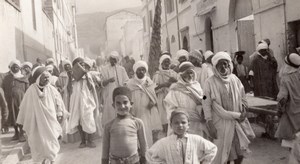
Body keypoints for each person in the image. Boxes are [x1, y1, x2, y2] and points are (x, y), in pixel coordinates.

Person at [203, 51, 254, 164]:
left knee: (239, 149)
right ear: (215, 66)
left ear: (229, 65)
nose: (223, 66)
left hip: (236, 120)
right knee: (222, 151)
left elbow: (243, 95)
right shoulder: (209, 82)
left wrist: (244, 109)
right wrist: (209, 122)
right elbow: (205, 101)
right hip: (220, 121)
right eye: (219, 64)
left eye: (225, 63)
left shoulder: (235, 79)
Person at [16, 66, 69, 164]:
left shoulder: (51, 89)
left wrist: (60, 113)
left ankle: (52, 160)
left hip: (51, 122)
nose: (47, 79)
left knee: (52, 143)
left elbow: (59, 102)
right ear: (38, 78)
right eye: (44, 77)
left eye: (48, 77)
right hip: (36, 124)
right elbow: (24, 108)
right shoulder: (31, 91)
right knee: (38, 144)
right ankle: (43, 160)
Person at [146, 110, 217, 164]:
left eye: (183, 122)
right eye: (176, 123)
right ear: (171, 125)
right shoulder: (164, 142)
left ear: (188, 125)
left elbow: (212, 149)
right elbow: (149, 154)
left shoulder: (195, 139)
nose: (180, 125)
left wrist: (202, 162)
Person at [102, 87, 147, 164]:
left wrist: (145, 160)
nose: (122, 106)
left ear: (131, 104)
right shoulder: (108, 126)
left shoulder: (138, 123)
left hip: (134, 162)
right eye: (118, 103)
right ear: (113, 105)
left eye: (125, 102)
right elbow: (105, 149)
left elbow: (144, 145)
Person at [164, 61, 208, 138]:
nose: (190, 75)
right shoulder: (175, 89)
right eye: (187, 73)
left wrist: (206, 97)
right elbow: (170, 109)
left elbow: (203, 97)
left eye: (191, 73)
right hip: (181, 124)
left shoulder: (197, 86)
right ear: (181, 75)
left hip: (196, 123)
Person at [126, 61, 162, 146]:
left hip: (148, 111)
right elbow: (127, 97)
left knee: (149, 131)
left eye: (143, 69)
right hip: (135, 110)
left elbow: (153, 95)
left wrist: (152, 102)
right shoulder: (129, 83)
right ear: (135, 71)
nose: (141, 71)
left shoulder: (149, 82)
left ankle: (148, 150)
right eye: (139, 69)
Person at [67, 57, 99, 148]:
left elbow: (90, 88)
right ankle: (83, 141)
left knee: (89, 119)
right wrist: (69, 78)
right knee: (79, 121)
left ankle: (90, 140)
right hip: (76, 101)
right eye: (78, 64)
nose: (81, 66)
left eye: (82, 64)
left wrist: (86, 75)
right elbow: (69, 90)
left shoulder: (87, 75)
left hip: (87, 100)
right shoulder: (71, 77)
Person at [275, 53, 300, 152]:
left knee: (293, 145)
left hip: (291, 116)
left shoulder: (286, 79)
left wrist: (279, 111)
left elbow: (282, 99)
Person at [2, 60, 29, 142]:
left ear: (19, 68)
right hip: (10, 101)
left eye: (17, 66)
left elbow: (27, 90)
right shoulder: (7, 78)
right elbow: (4, 88)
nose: (15, 68)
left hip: (21, 100)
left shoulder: (24, 78)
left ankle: (22, 133)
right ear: (11, 68)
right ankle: (16, 133)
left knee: (20, 115)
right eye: (13, 67)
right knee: (13, 116)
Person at [101, 51, 129, 126]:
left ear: (117, 60)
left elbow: (126, 81)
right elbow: (102, 83)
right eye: (111, 59)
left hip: (120, 93)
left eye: (114, 59)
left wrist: (123, 86)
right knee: (110, 111)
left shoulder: (121, 69)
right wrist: (109, 80)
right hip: (109, 94)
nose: (113, 61)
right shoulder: (104, 69)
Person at [153, 55, 177, 134]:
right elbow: (154, 88)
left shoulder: (173, 73)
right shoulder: (158, 75)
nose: (167, 63)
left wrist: (174, 82)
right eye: (165, 62)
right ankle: (165, 135)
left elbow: (179, 85)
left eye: (168, 61)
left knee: (172, 116)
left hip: (173, 97)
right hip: (162, 98)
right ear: (161, 63)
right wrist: (164, 84)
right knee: (164, 118)